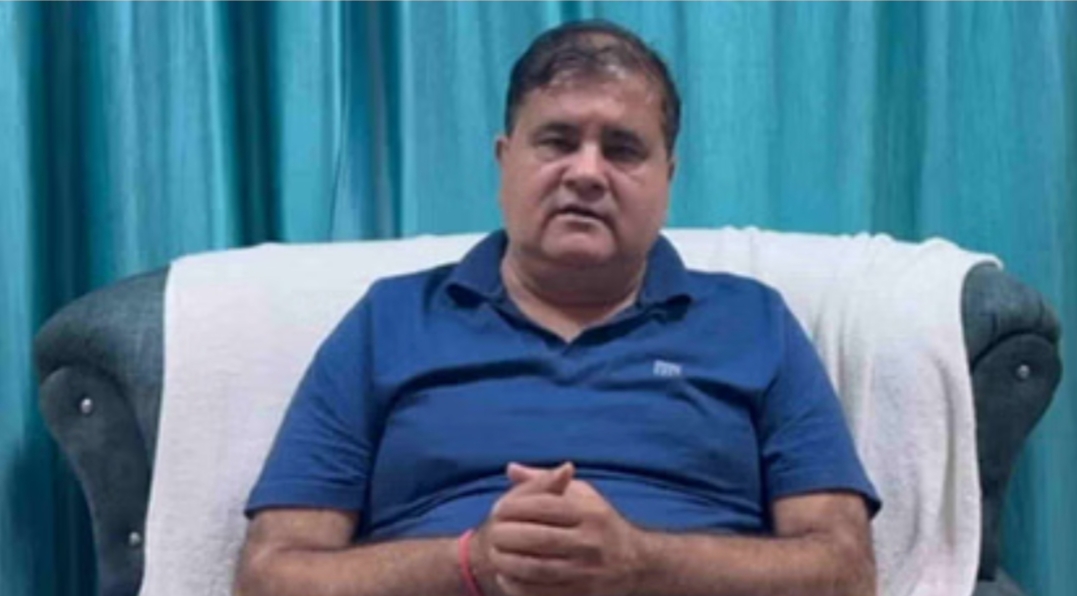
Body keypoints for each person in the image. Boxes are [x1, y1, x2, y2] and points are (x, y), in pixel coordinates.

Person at [234, 19, 880, 596]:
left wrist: (643, 563)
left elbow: (846, 571)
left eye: (622, 149)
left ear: (668, 177)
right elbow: (268, 576)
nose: (587, 173)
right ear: (504, 160)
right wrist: (472, 562)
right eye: (557, 141)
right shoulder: (389, 320)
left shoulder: (754, 323)